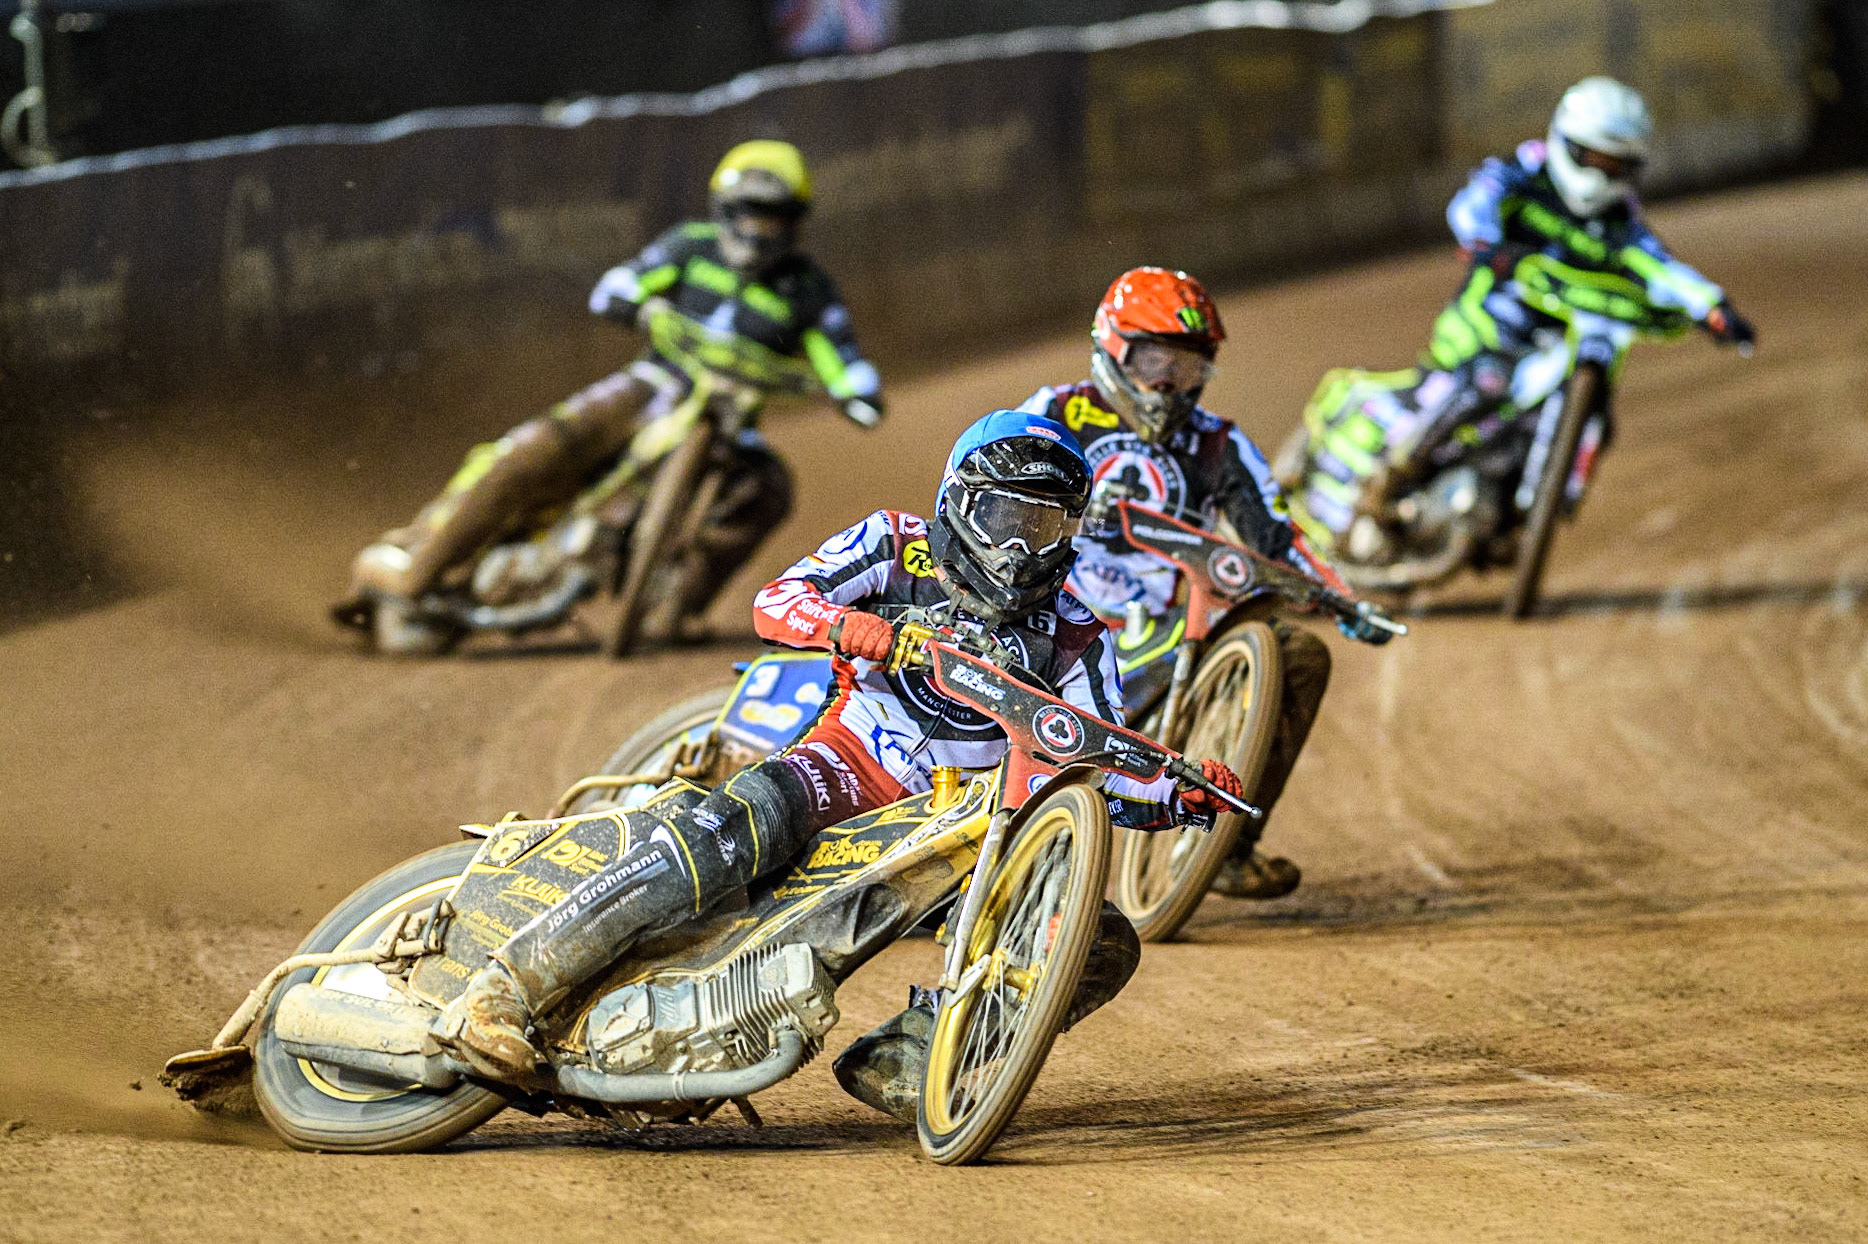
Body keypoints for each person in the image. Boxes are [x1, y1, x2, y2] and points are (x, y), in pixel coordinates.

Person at [436, 410, 1247, 1107]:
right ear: (962, 502)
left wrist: (1182, 793)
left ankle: (916, 1062)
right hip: (846, 763)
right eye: (1009, 518)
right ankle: (504, 989)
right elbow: (776, 602)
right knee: (730, 824)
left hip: (958, 826)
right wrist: (865, 630)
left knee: (1101, 938)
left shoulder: (1076, 631)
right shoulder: (898, 544)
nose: (1025, 544)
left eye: (1049, 525)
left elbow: (1097, 766)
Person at [341, 139, 885, 648]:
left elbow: (846, 359)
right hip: (652, 384)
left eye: (773, 219)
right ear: (723, 210)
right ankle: (419, 563)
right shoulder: (688, 246)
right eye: (748, 214)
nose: (758, 232)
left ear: (794, 224)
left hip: (733, 418)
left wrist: (858, 394)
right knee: (538, 447)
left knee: (769, 490)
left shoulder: (810, 290)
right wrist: (636, 303)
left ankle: (677, 607)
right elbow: (619, 285)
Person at [1016, 267, 1388, 903]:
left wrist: (1340, 594)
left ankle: (1226, 846)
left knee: (1296, 652)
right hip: (1043, 625)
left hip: (1157, 641)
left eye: (1188, 369)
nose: (1168, 385)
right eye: (1154, 361)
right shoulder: (1053, 414)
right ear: (1112, 347)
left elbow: (1276, 535)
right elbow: (983, 503)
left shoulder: (1219, 443)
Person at [1319, 76, 1755, 529]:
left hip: (1558, 344)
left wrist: (1712, 307)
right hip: (1486, 327)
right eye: (1594, 158)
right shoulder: (1521, 174)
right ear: (1566, 142)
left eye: (1615, 165)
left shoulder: (1622, 222)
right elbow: (1476, 201)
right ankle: (1391, 477)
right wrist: (1483, 237)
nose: (1601, 174)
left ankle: (1513, 503)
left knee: (1600, 419)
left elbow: (1662, 268)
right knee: (1485, 381)